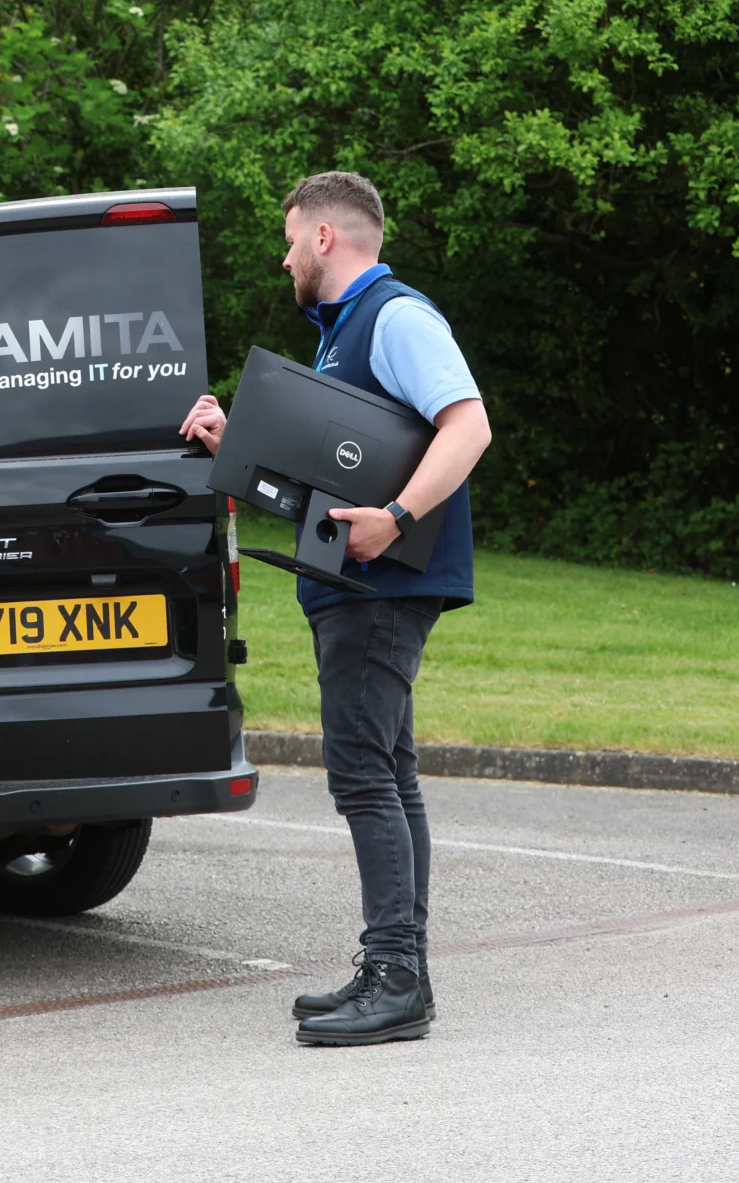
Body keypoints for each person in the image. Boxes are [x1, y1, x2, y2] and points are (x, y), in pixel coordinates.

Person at [181, 171, 492, 1047]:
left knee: (363, 773)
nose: (283, 259)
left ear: (326, 237)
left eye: (290, 240)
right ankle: (399, 968)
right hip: (360, 587)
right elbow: (336, 472)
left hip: (381, 589)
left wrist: (396, 519)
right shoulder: (342, 336)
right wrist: (232, 439)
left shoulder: (395, 317)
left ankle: (395, 977)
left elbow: (467, 425)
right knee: (388, 773)